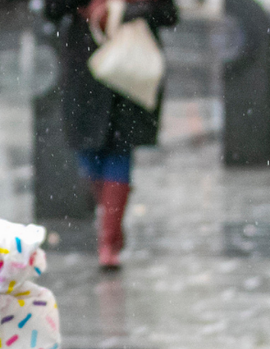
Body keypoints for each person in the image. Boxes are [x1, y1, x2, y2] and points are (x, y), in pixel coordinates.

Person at [44, 0, 178, 269]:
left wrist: (125, 10)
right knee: (89, 158)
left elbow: (168, 14)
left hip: (128, 71)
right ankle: (112, 221)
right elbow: (52, 10)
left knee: (120, 151)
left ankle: (108, 238)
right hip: (85, 69)